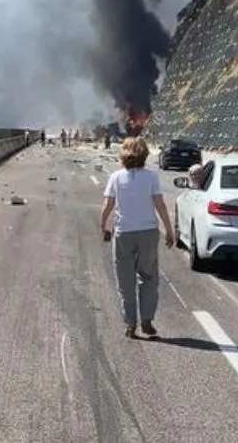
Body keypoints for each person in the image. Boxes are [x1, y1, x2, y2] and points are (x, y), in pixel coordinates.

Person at [100, 137, 175, 338]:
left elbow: (108, 205)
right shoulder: (151, 177)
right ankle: (147, 320)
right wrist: (169, 229)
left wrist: (103, 226)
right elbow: (159, 204)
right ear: (144, 154)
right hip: (148, 232)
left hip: (123, 232)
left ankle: (130, 322)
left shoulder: (116, 177)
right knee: (149, 277)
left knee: (125, 280)